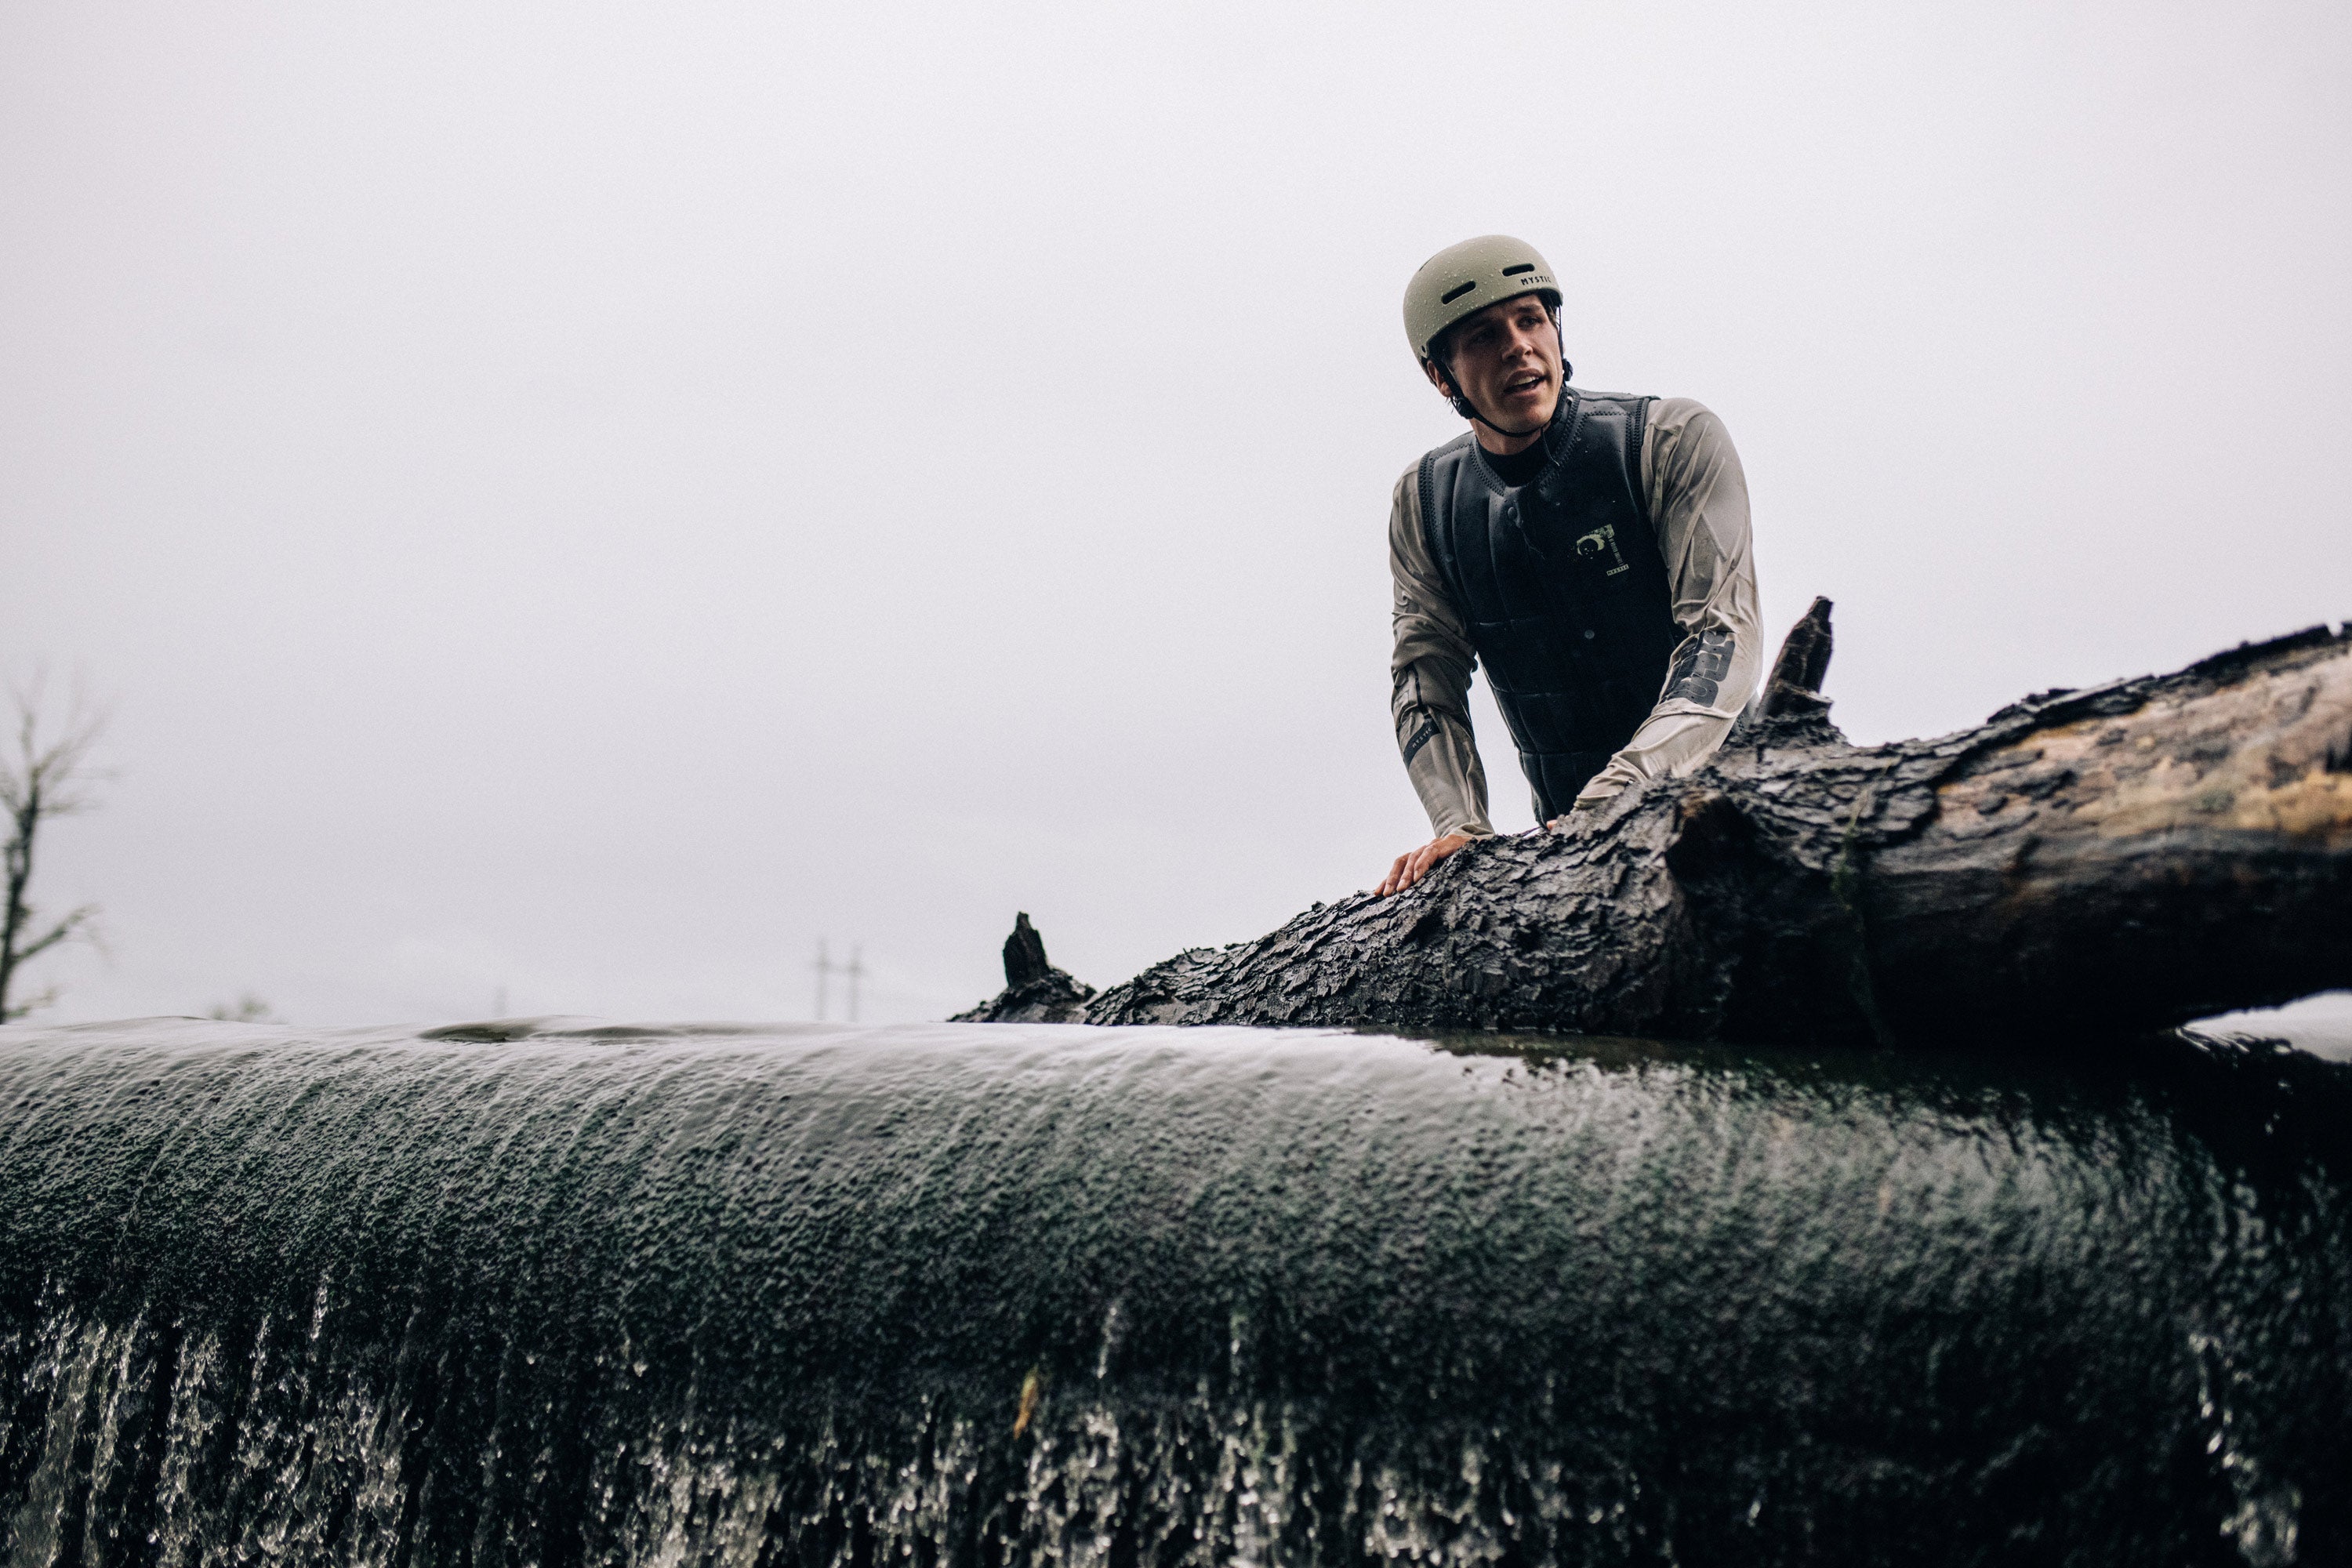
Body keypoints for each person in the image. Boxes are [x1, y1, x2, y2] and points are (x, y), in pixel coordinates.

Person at [1377, 235, 1762, 897]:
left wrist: (1621, 791)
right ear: (1441, 377)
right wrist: (1461, 828)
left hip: (1739, 813)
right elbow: (1424, 681)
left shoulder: (1668, 438)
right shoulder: (1425, 502)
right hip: (1573, 865)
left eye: (1531, 320)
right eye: (1483, 336)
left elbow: (1723, 635)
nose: (1518, 346)